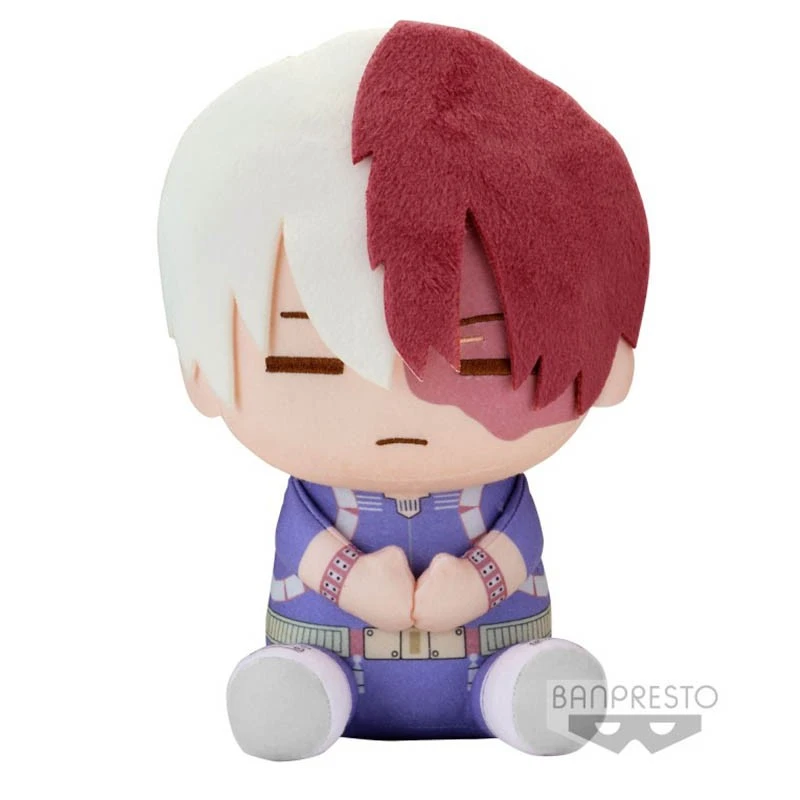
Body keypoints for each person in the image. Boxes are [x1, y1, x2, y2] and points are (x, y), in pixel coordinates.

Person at [158, 20, 649, 760]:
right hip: (334, 650)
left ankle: (517, 691)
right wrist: (354, 582)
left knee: (527, 682)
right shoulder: (318, 497)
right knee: (296, 684)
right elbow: (302, 541)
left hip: (489, 645)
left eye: (476, 357)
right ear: (201, 369)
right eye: (312, 359)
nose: (402, 405)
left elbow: (518, 539)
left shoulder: (495, 493)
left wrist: (477, 585)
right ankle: (303, 693)